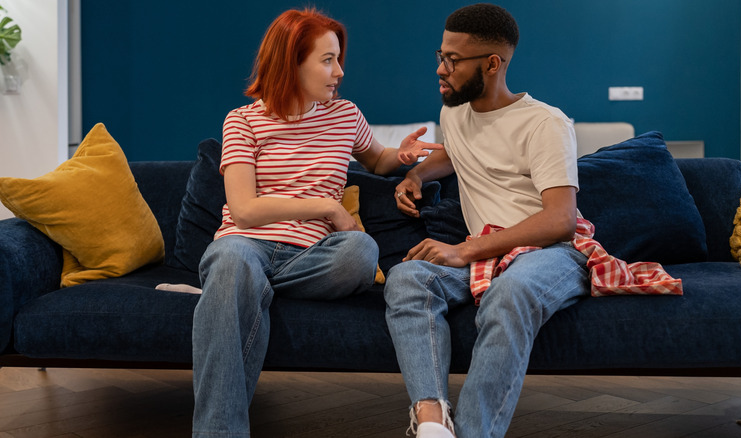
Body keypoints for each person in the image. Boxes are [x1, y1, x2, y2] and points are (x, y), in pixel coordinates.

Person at [191, 8, 440, 437]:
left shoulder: (344, 115)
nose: (339, 71)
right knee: (232, 261)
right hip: (245, 245)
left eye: (339, 59)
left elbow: (375, 158)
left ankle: (246, 291)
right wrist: (326, 207)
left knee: (361, 250)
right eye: (328, 60)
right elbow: (245, 209)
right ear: (292, 62)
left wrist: (400, 157)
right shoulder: (243, 121)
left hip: (312, 258)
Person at [384, 4, 589, 437]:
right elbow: (454, 153)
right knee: (407, 278)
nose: (440, 69)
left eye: (452, 60)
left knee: (510, 291)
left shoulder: (545, 123)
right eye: (440, 56)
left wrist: (465, 248)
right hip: (484, 260)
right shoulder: (454, 113)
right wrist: (416, 175)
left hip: (547, 255)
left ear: (492, 64)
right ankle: (433, 424)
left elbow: (560, 220)